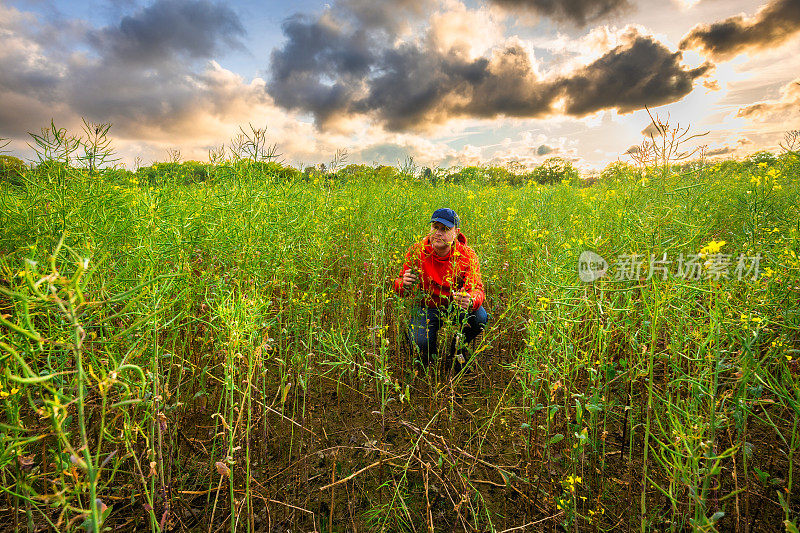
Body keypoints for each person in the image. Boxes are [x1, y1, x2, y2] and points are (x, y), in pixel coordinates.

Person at [393, 208, 488, 373]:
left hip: (454, 307)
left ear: (456, 233)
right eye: (435, 227)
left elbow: (477, 289)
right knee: (419, 340)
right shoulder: (417, 251)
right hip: (427, 308)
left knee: (479, 317)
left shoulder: (467, 256)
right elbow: (400, 287)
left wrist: (470, 300)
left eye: (445, 229)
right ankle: (429, 355)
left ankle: (457, 350)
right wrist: (404, 284)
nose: (438, 233)